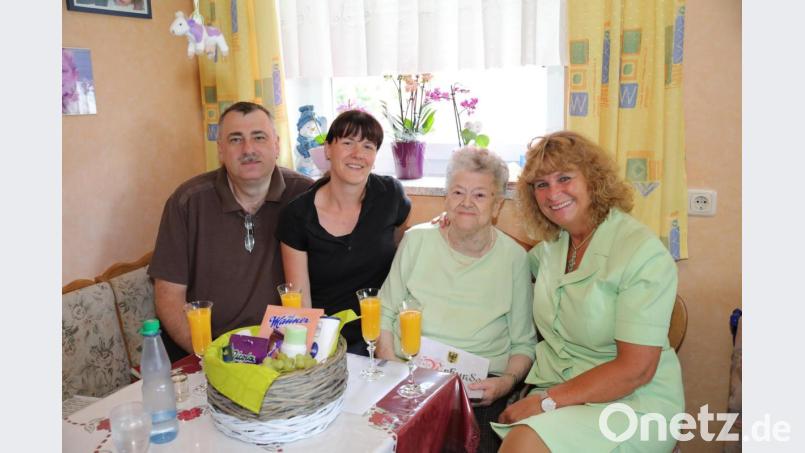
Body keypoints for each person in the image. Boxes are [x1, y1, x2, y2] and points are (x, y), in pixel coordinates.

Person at [493, 131, 684, 452]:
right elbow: (518, 261)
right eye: (541, 184)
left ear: (593, 179)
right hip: (564, 390)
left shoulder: (641, 253)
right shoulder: (557, 243)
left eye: (564, 178)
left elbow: (636, 369)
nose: (553, 193)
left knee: (523, 445)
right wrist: (471, 225)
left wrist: (544, 403)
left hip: (633, 402)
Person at [376, 147, 536, 452]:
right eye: (458, 192)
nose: (466, 202)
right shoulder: (417, 241)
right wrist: (395, 371)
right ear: (446, 198)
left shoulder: (513, 258)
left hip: (478, 388)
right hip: (409, 373)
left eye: (480, 195)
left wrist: (506, 382)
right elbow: (384, 312)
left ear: (497, 204)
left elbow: (524, 343)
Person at [149, 102, 313, 359]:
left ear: (277, 145)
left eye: (259, 137)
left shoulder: (304, 196)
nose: (248, 149)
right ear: (221, 150)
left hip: (284, 353)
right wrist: (209, 356)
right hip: (211, 352)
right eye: (236, 139)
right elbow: (169, 297)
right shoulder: (188, 202)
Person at [276, 110, 411, 355]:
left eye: (368, 146)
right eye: (347, 143)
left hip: (384, 336)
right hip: (327, 342)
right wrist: (313, 354)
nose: (357, 154)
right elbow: (299, 302)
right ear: (327, 149)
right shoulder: (297, 215)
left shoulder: (390, 195)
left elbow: (406, 251)